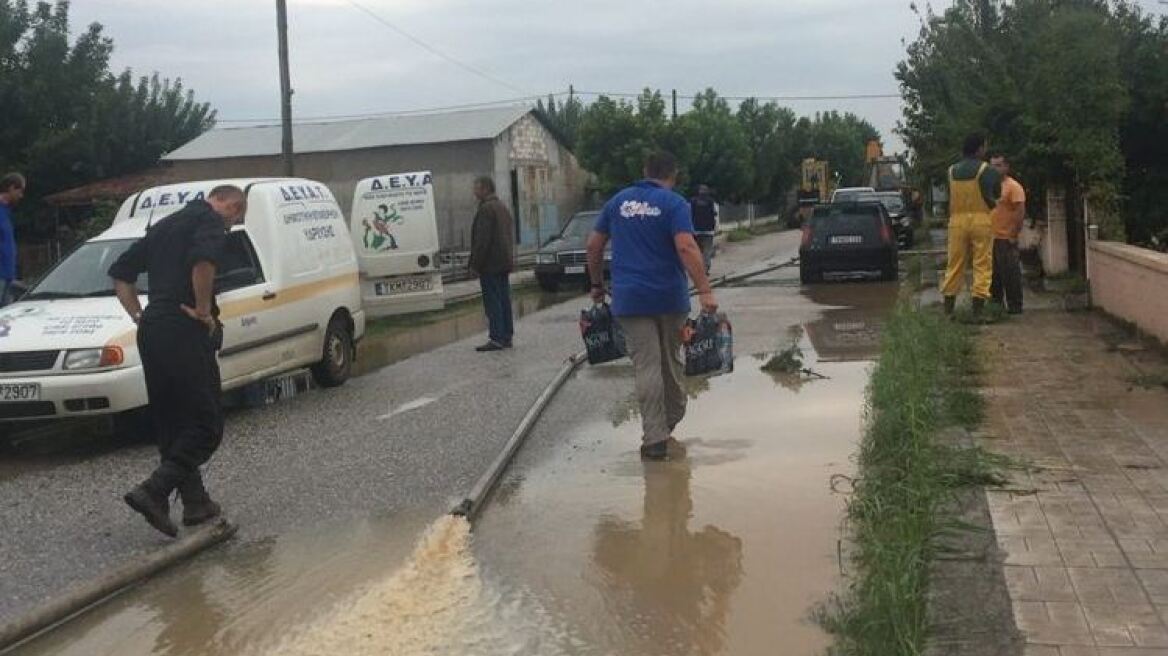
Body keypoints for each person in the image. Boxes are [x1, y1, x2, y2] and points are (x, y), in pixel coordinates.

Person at [109, 185, 247, 537]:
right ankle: (153, 491)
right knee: (206, 424)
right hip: (184, 328)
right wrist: (203, 312)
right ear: (229, 206)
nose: (230, 226)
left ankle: (196, 503)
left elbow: (120, 274)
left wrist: (140, 316)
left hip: (153, 328)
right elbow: (203, 262)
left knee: (172, 419)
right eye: (235, 220)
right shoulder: (210, 221)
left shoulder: (165, 225)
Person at [587, 151, 718, 461]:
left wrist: (595, 285)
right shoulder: (674, 204)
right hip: (669, 298)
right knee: (670, 362)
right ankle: (669, 419)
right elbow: (686, 246)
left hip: (630, 299)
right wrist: (705, 290)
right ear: (673, 175)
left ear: (645, 171)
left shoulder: (618, 202)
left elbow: (593, 245)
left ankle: (655, 437)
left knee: (646, 365)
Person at [942, 133, 1001, 317]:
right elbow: (995, 195)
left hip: (956, 222)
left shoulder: (951, 171)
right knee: (982, 263)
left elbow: (948, 198)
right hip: (980, 220)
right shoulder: (987, 170)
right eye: (984, 146)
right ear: (979, 149)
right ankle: (978, 311)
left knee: (955, 263)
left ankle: (948, 310)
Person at [469, 176, 515, 352]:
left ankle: (496, 337)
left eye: (476, 188)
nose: (474, 192)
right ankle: (506, 336)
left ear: (485, 188)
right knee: (504, 300)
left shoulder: (486, 210)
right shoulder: (502, 207)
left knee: (493, 301)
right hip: (503, 262)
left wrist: (475, 265)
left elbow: (482, 241)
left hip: (490, 264)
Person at [989, 152, 1026, 314]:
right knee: (993, 275)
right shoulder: (989, 186)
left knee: (1010, 273)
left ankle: (1015, 306)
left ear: (1006, 167)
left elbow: (1019, 211)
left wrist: (1013, 233)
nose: (994, 168)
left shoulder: (1013, 187)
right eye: (992, 165)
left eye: (998, 165)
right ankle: (996, 305)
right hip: (991, 237)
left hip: (1006, 238)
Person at [0, 173, 26, 307]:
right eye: (19, 191)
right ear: (11, 188)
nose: (21, 196)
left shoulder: (6, 212)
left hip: (8, 275)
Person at [689, 184, 718, 273]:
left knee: (697, 250)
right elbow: (715, 214)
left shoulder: (693, 201)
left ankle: (697, 268)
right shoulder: (711, 202)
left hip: (696, 230)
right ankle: (705, 268)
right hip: (709, 231)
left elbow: (689, 214)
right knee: (707, 251)